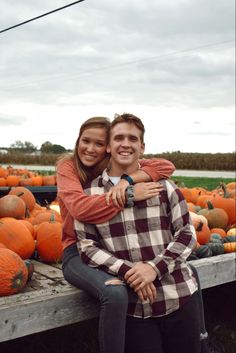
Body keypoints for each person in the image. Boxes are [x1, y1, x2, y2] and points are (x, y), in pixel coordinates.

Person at [75, 113, 201, 353]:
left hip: (179, 296)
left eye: (132, 138)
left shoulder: (164, 187)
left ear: (142, 147)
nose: (125, 143)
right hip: (133, 308)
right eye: (119, 138)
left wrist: (153, 268)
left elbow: (186, 234)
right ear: (109, 147)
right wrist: (130, 272)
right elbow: (87, 247)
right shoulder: (90, 194)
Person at [56, 116, 175, 353]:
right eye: (85, 141)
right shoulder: (68, 167)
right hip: (77, 251)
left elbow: (166, 166)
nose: (90, 148)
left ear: (108, 147)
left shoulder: (110, 168)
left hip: (112, 247)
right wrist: (129, 195)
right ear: (77, 140)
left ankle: (198, 341)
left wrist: (127, 181)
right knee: (115, 293)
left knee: (187, 269)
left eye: (99, 143)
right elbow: (80, 208)